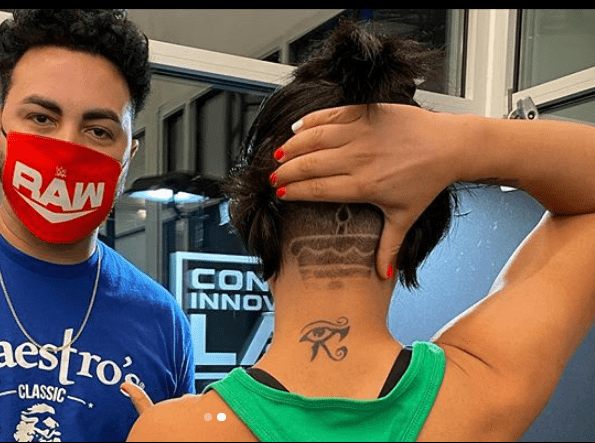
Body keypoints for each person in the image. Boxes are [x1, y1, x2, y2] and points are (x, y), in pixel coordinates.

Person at [125, 20, 595, 442]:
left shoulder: (182, 432)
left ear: (254, 226)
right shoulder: (477, 394)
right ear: (415, 236)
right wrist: (462, 144)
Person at [0, 10, 195, 442]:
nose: (67, 147)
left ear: (129, 156)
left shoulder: (162, 323)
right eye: (41, 118)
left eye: (99, 131)